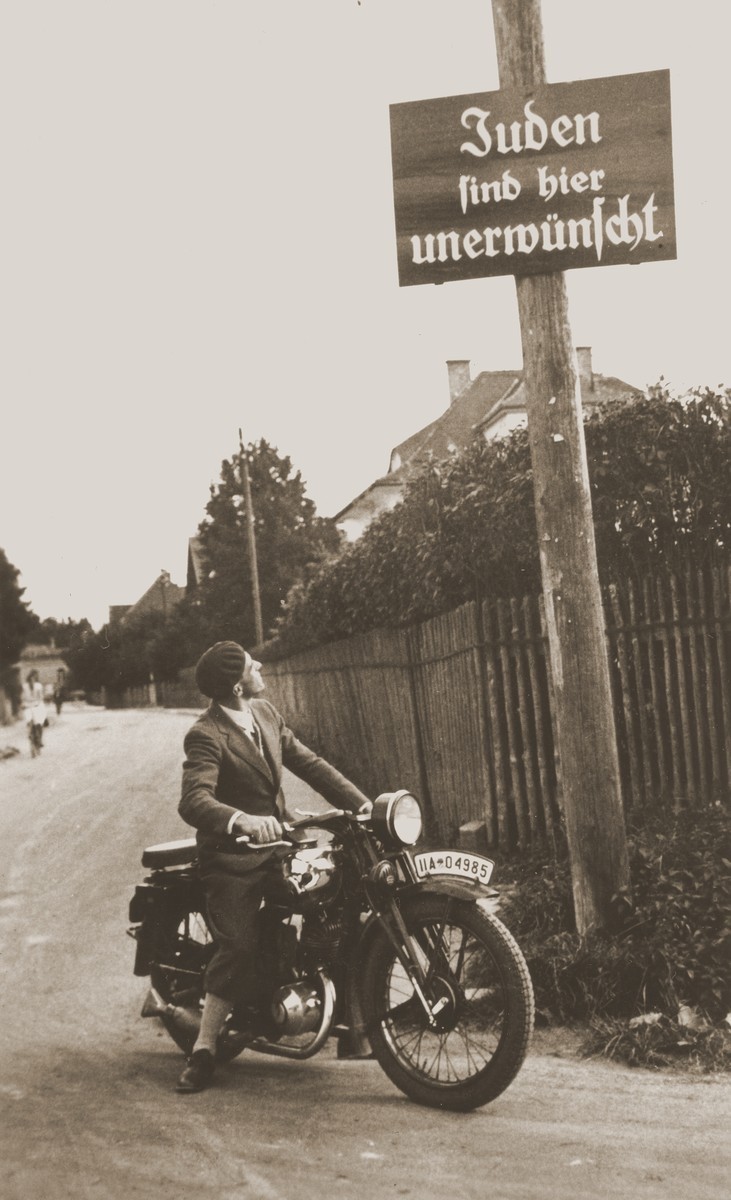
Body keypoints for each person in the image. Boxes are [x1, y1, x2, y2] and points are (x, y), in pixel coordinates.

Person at [176, 640, 372, 1094]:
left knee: (337, 896)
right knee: (240, 944)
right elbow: (194, 799)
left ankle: (345, 1014)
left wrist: (367, 807)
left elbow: (311, 764)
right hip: (233, 857)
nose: (259, 665)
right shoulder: (205, 734)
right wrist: (239, 819)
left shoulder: (265, 713)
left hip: (281, 845)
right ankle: (204, 1047)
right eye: (250, 664)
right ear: (236, 683)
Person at [22, 669, 47, 755]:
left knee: (36, 722)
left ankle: (35, 737)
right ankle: (38, 739)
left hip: (30, 705)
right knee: (38, 723)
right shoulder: (35, 685)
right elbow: (40, 697)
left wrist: (24, 704)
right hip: (34, 705)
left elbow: (23, 697)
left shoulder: (26, 686)